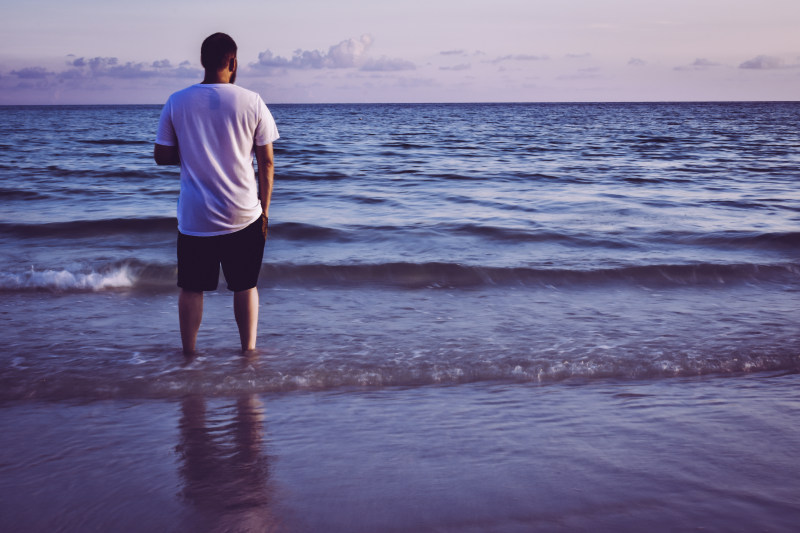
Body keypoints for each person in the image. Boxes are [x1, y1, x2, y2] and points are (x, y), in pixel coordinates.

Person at [154, 32, 279, 355]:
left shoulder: (177, 101)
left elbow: (162, 155)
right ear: (233, 62)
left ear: (202, 61)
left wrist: (195, 149)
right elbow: (266, 162)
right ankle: (247, 353)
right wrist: (265, 212)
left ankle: (189, 356)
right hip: (243, 213)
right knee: (245, 286)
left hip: (196, 217)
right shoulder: (252, 101)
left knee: (192, 288)